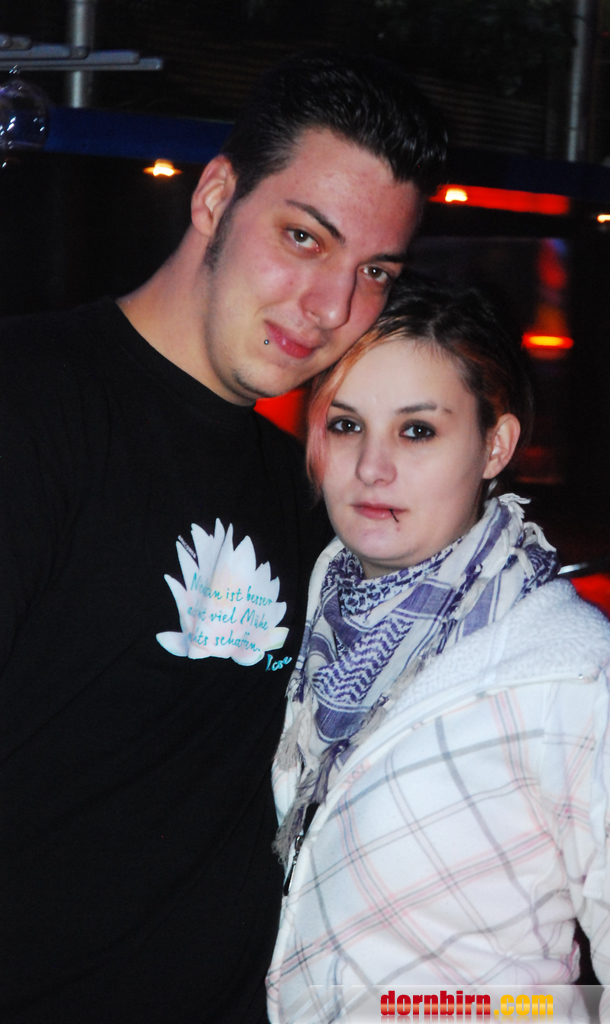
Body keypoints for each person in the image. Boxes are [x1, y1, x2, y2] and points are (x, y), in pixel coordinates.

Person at [0, 51, 447, 1024]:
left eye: (373, 271)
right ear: (214, 198)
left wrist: (593, 701)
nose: (331, 307)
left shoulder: (309, 493)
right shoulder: (30, 405)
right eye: (303, 237)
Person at [266, 276, 610, 1022]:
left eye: (417, 431)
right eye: (346, 424)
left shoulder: (570, 668)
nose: (371, 467)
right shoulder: (303, 614)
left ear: (495, 445)